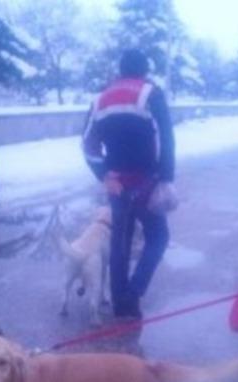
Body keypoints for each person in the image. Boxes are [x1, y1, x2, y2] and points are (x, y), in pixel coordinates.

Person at [82, 49, 177, 336]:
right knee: (158, 237)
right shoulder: (151, 94)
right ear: (144, 71)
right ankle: (133, 293)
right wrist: (165, 177)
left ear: (120, 70)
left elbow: (88, 144)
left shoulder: (100, 99)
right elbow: (165, 139)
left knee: (120, 243)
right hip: (146, 183)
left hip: (117, 185)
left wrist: (103, 175)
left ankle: (121, 305)